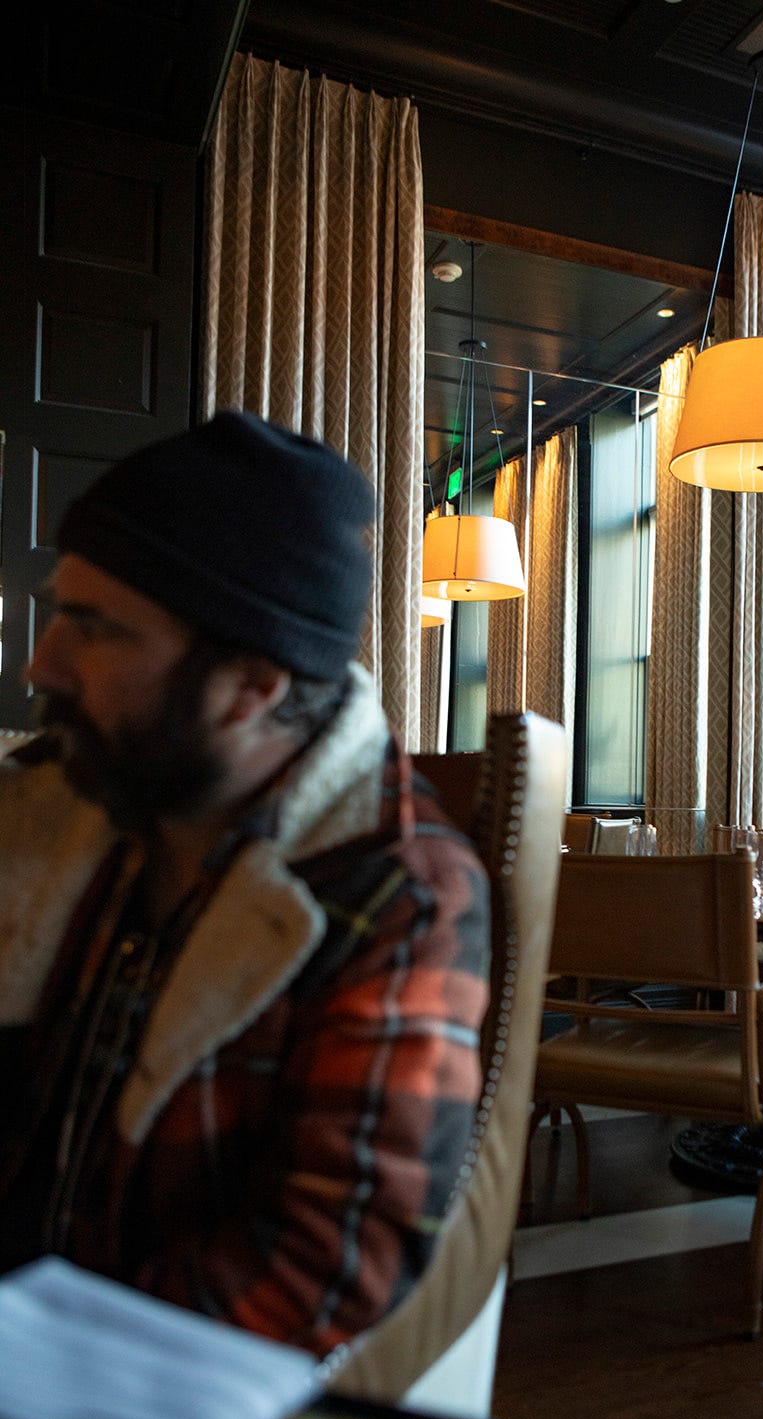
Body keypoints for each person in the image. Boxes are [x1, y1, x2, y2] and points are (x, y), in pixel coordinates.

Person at [0, 412, 490, 1357]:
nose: (42, 663)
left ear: (251, 685)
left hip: (139, 1388)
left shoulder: (396, 890)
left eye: (93, 628)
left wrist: (39, 1360)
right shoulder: (62, 799)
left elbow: (324, 1264)